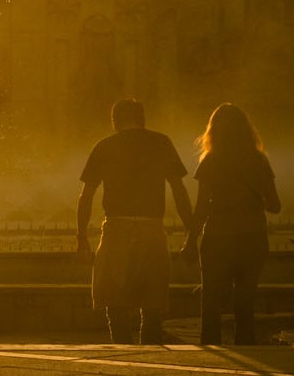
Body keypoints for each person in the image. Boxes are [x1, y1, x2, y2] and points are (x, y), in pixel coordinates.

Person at [77, 98, 194, 344]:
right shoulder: (161, 143)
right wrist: (191, 232)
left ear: (115, 122)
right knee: (152, 307)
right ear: (142, 118)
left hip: (116, 230)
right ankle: (150, 357)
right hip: (152, 229)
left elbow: (86, 195)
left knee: (115, 305)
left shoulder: (105, 146)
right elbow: (179, 190)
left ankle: (124, 357)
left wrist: (82, 238)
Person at [182, 103, 281, 345]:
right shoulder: (259, 161)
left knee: (211, 301)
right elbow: (275, 205)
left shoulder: (210, 161)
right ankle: (247, 347)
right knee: (245, 300)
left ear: (213, 131)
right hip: (253, 237)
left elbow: (202, 206)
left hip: (217, 237)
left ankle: (212, 353)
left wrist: (190, 240)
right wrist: (252, 197)